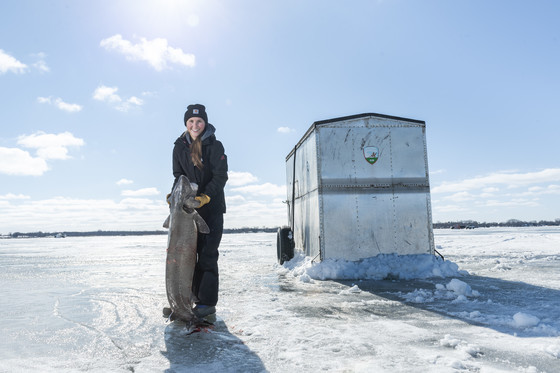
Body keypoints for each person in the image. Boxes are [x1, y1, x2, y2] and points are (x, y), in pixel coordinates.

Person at [170, 103, 228, 319]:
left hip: (211, 209)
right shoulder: (179, 147)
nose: (195, 125)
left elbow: (221, 176)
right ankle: (187, 298)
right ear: (186, 123)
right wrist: (173, 195)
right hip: (186, 211)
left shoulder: (215, 146)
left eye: (199, 121)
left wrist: (206, 197)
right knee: (186, 257)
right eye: (191, 122)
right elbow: (179, 176)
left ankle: (206, 303)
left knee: (207, 255)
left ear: (205, 123)